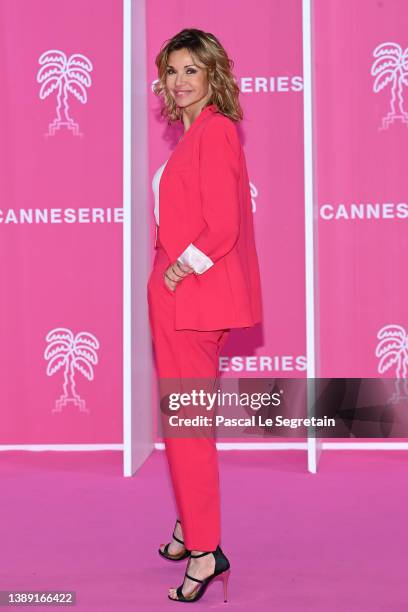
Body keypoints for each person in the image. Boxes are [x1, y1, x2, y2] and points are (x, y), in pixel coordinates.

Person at [147, 28, 262, 603]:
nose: (180, 80)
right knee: (182, 421)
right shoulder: (194, 135)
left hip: (191, 299)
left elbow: (223, 228)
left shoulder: (215, 133)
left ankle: (206, 550)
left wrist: (177, 271)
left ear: (213, 74)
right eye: (172, 71)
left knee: (187, 429)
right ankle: (188, 526)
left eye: (192, 69)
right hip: (181, 300)